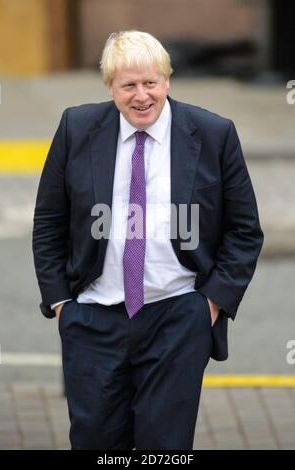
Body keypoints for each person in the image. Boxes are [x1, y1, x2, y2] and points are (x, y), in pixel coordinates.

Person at [32, 30, 263, 450]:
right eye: (129, 85)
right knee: (95, 443)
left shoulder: (213, 134)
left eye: (150, 83)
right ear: (111, 87)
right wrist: (62, 304)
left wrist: (209, 306)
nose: (142, 96)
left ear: (167, 80)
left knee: (165, 449)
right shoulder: (76, 128)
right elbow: (49, 220)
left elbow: (244, 230)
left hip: (177, 318)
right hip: (93, 319)